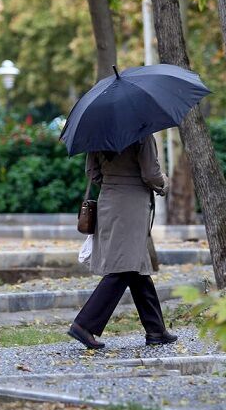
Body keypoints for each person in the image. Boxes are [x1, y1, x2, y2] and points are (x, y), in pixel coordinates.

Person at [67, 135, 178, 350]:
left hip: (108, 200)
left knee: (135, 266)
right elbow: (150, 174)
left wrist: (113, 182)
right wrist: (164, 183)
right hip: (132, 204)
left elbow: (92, 173)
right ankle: (84, 324)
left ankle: (155, 329)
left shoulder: (99, 135)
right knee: (124, 267)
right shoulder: (142, 135)